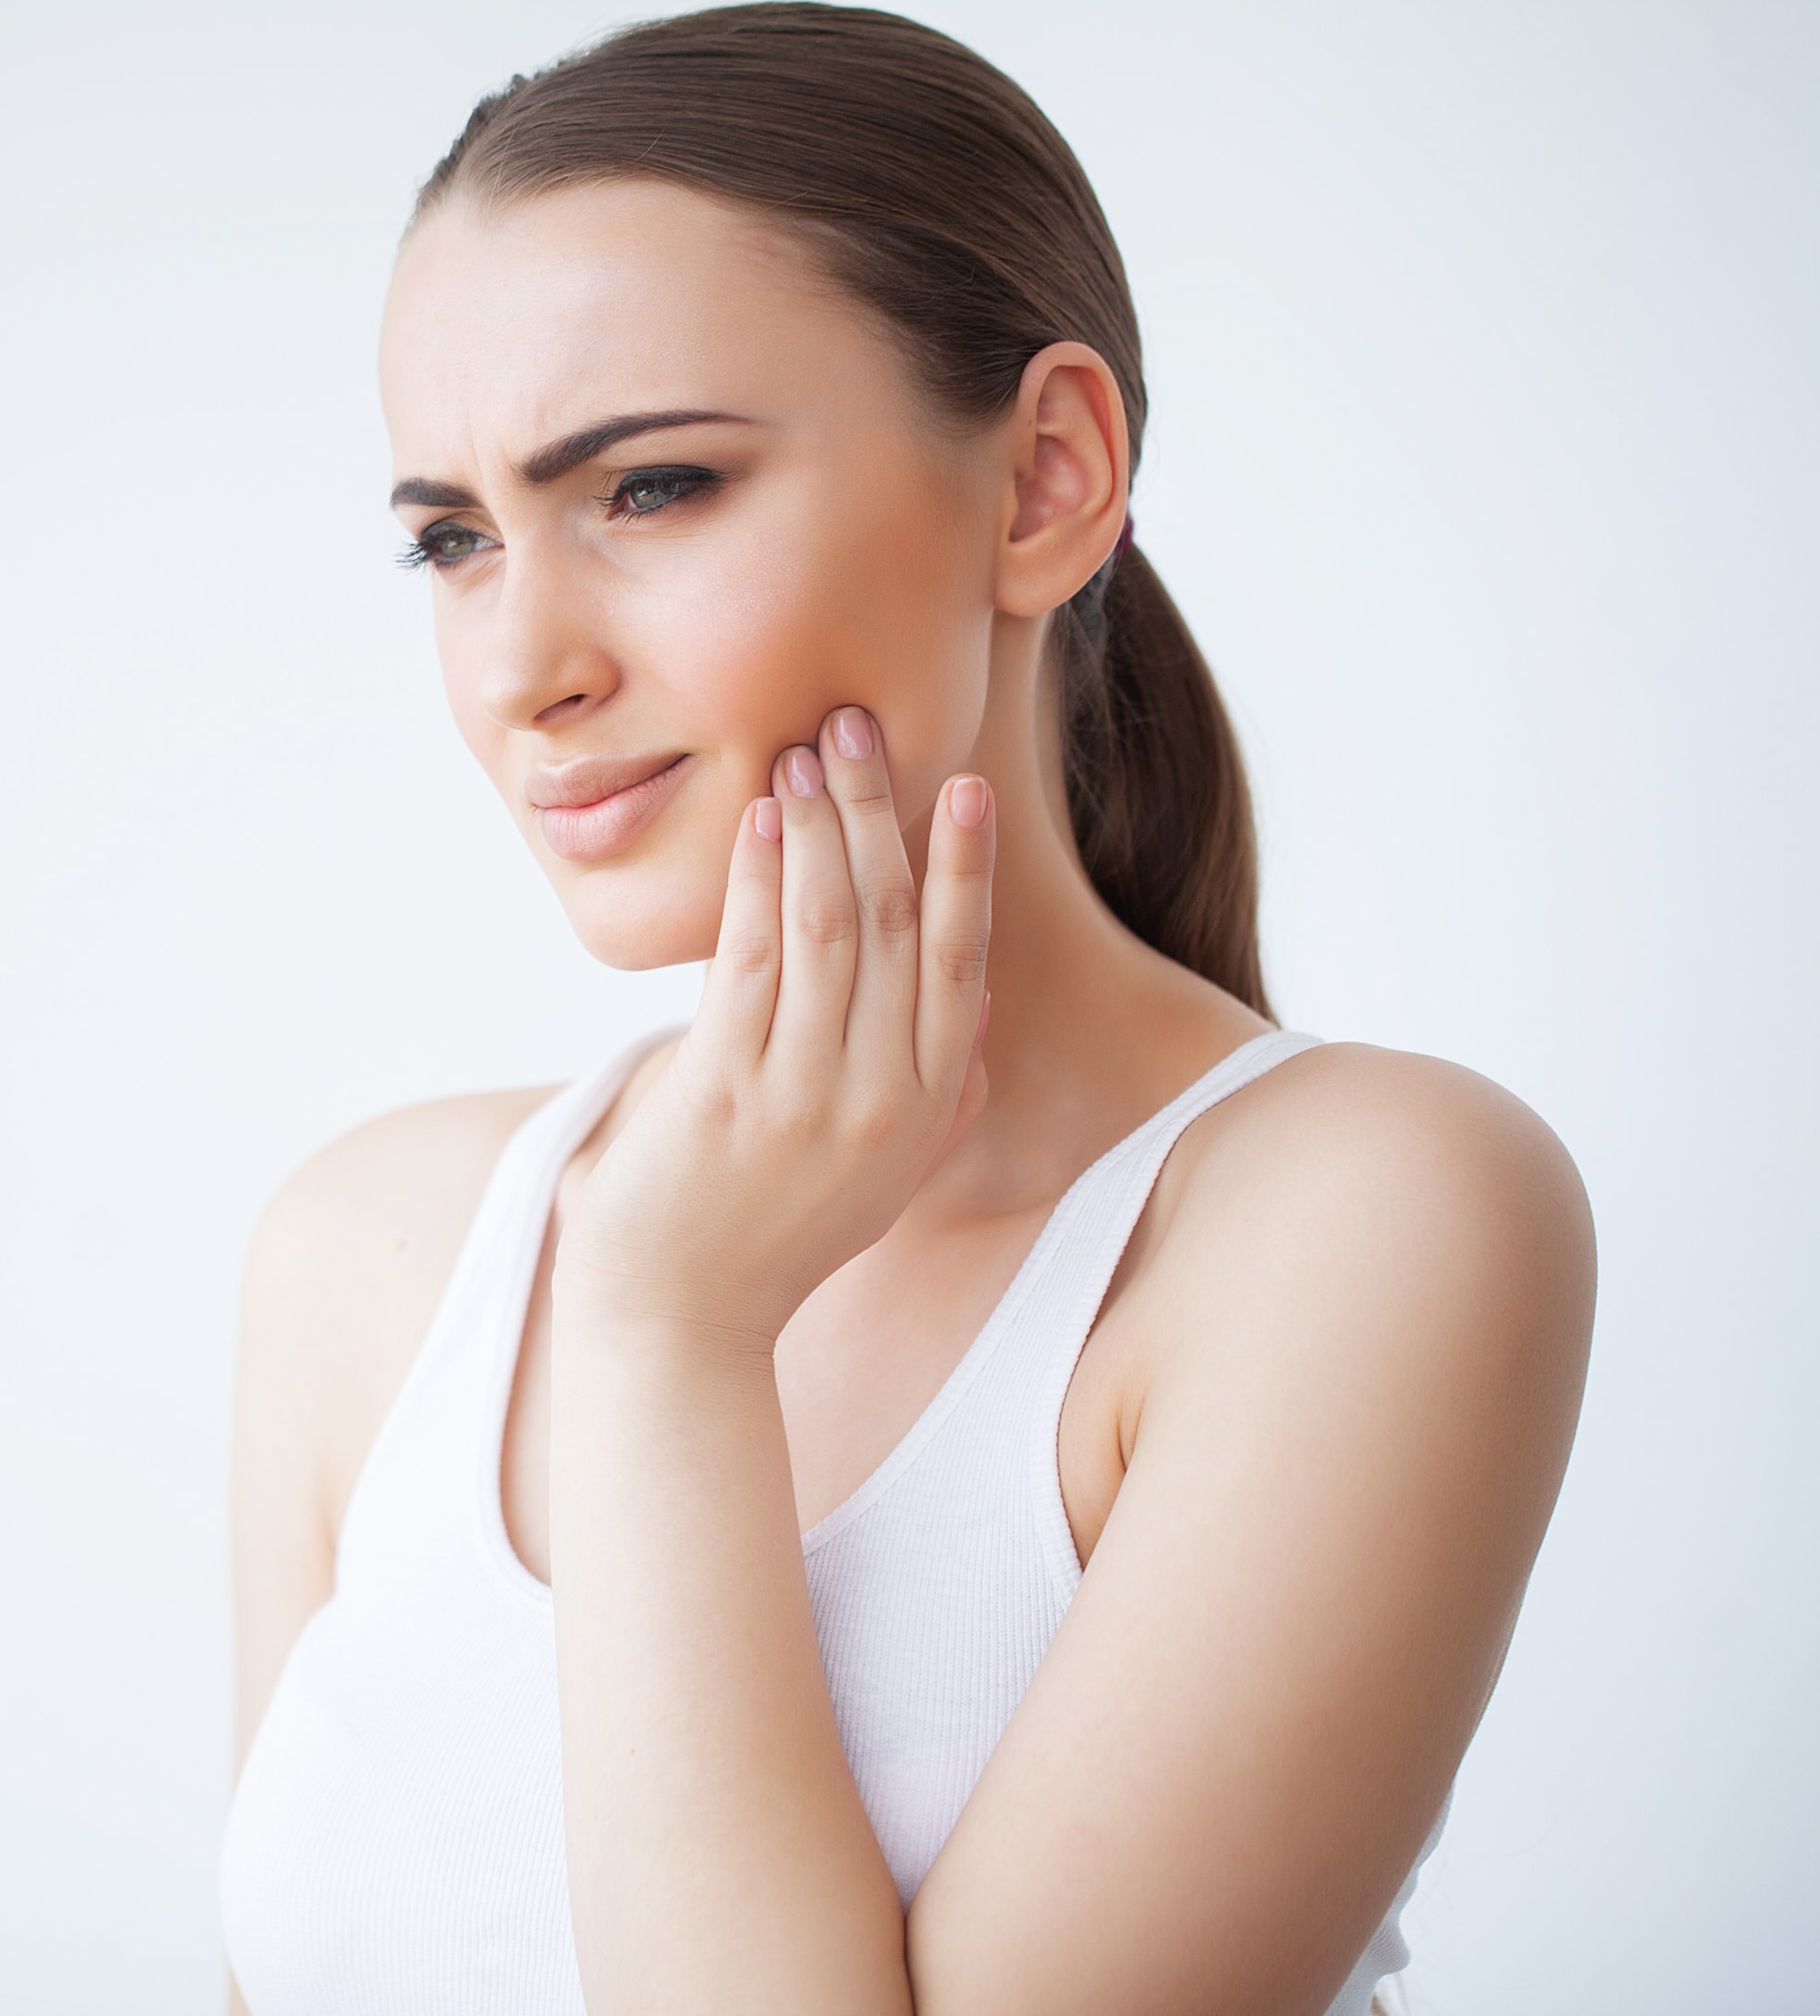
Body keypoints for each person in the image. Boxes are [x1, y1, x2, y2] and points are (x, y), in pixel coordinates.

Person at [216, 8, 1595, 2013]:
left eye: (655, 488)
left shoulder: (1357, 1222)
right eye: (454, 537)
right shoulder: (368, 1248)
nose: (521, 663)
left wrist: (671, 1328)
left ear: (1046, 477)